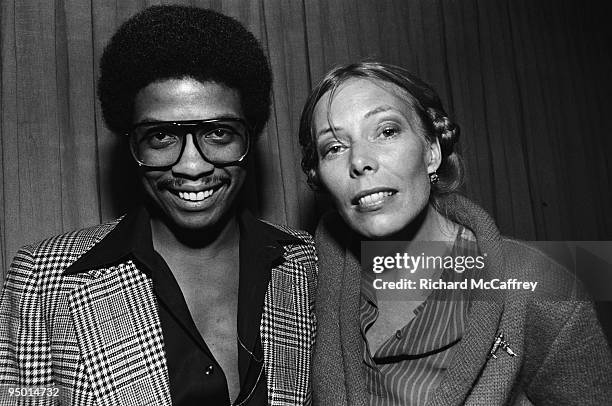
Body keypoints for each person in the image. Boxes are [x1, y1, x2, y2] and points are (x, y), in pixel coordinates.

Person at [0, 6, 316, 405]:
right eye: (161, 136)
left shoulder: (312, 264)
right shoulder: (42, 280)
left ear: (249, 136)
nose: (192, 165)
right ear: (132, 143)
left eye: (219, 132)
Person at [298, 61, 612, 405]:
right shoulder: (312, 285)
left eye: (386, 131)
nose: (359, 160)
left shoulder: (539, 284)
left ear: (432, 152)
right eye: (334, 147)